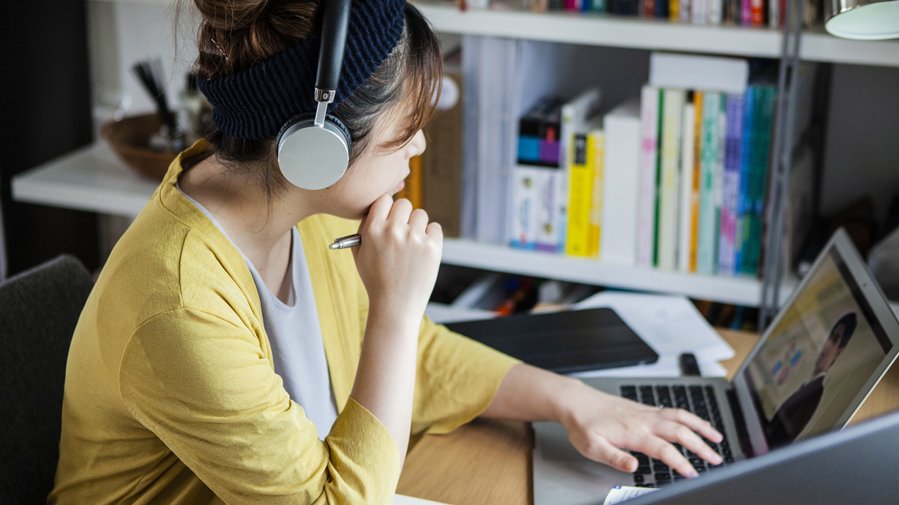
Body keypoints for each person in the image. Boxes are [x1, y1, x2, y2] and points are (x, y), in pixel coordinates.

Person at [49, 1, 722, 503]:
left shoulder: (298, 204)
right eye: (406, 133)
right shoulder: (179, 301)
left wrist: (572, 400)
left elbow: (414, 359)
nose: (421, 150)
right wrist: (394, 310)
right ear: (317, 148)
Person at [768, 312, 859, 444]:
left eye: (834, 340)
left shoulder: (815, 392)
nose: (826, 344)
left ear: (838, 353)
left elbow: (783, 438)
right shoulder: (809, 384)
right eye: (829, 337)